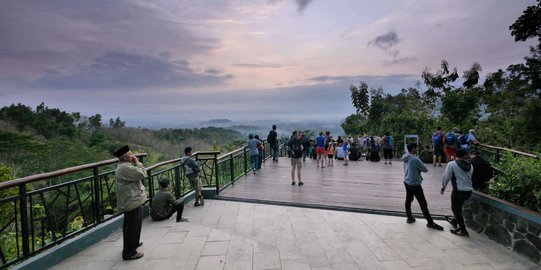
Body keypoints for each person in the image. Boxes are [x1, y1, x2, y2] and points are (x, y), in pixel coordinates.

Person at [113, 145, 147, 260]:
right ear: (125, 157)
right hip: (130, 200)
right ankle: (129, 252)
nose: (133, 155)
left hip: (132, 200)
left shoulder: (125, 166)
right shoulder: (125, 168)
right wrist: (137, 162)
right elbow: (143, 174)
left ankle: (134, 244)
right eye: (130, 153)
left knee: (134, 225)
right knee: (132, 226)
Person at [401, 143, 444, 231]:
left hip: (407, 181)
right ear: (413, 149)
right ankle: (430, 223)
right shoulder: (415, 159)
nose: (417, 149)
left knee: (408, 200)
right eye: (416, 148)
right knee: (423, 204)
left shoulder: (405, 157)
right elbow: (425, 169)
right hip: (415, 184)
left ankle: (409, 218)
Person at [440, 149, 473, 236]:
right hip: (469, 191)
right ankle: (455, 221)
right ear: (465, 156)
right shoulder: (470, 165)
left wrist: (443, 187)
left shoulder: (452, 164)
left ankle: (463, 230)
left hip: (458, 191)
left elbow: (446, 176)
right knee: (458, 208)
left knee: (455, 209)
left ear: (455, 155)